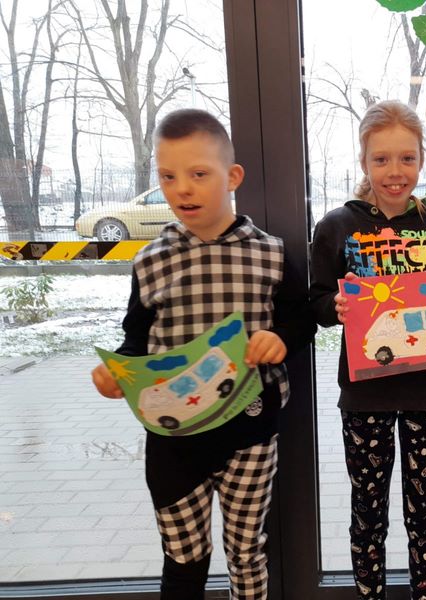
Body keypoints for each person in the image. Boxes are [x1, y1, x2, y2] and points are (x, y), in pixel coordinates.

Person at [90, 108, 315, 599]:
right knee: (182, 556)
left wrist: (280, 339)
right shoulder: (150, 260)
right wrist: (117, 373)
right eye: (168, 177)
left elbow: (300, 319)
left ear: (232, 177)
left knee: (247, 551)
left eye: (198, 174)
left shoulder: (271, 254)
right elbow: (135, 339)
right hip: (173, 436)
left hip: (250, 430)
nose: (182, 190)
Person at [309, 100, 426, 600]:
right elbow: (315, 301)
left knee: (425, 516)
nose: (395, 171)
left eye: (407, 158)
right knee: (368, 515)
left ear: (421, 160)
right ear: (364, 161)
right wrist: (335, 305)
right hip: (364, 396)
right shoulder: (336, 227)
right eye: (381, 159)